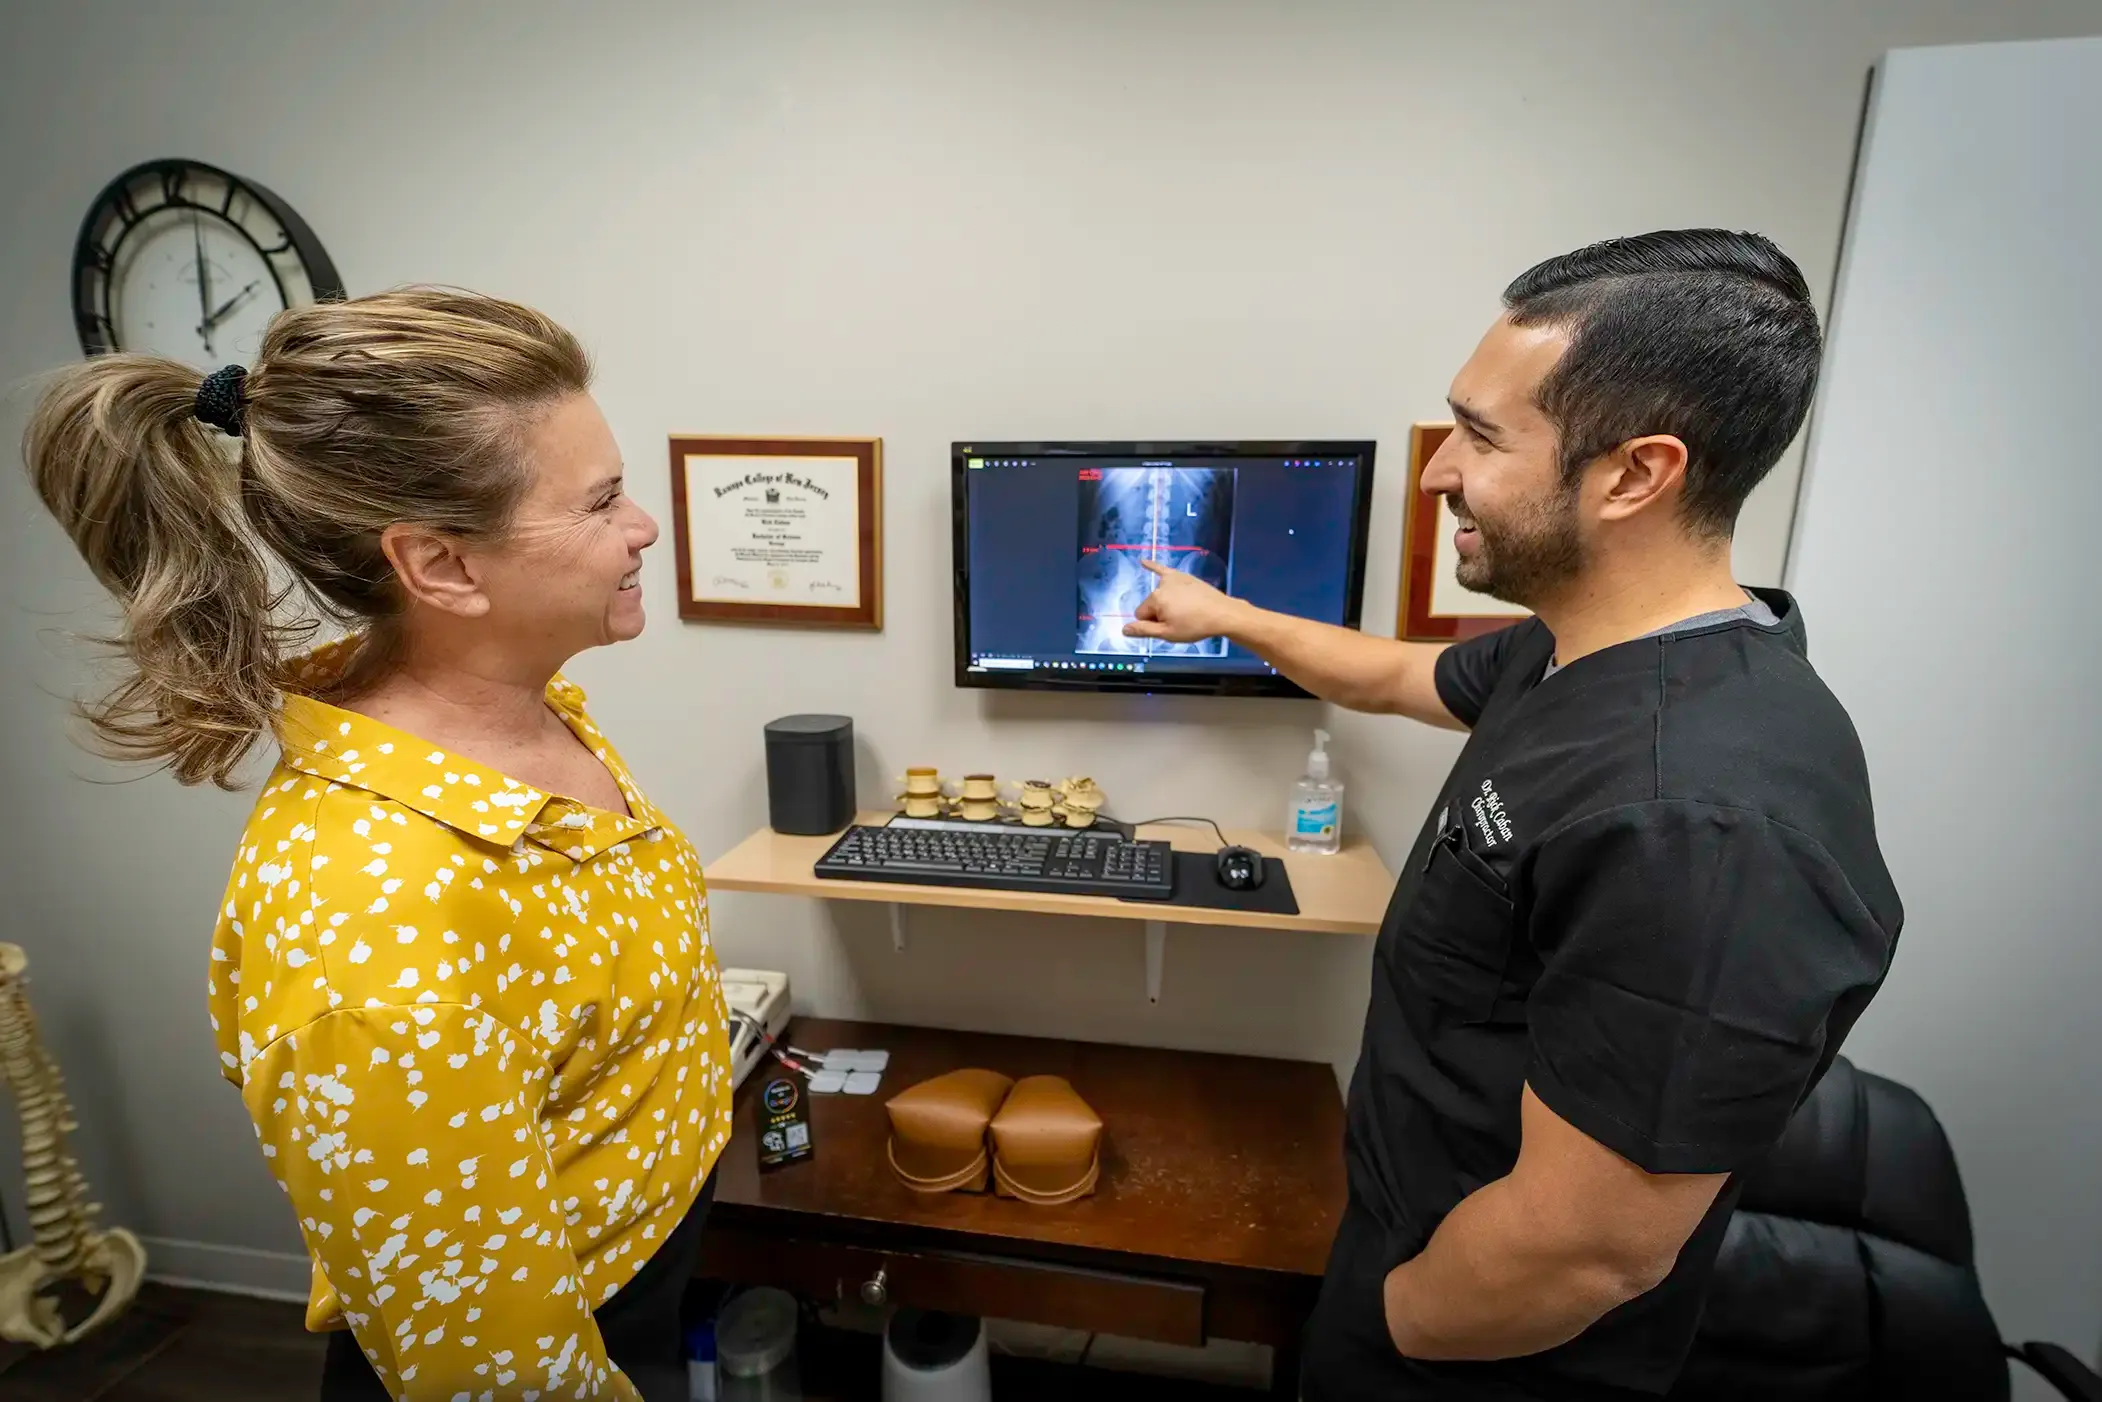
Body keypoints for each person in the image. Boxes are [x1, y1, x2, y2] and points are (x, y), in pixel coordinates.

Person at [1125, 230, 1901, 1400]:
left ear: (1633, 474)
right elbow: (1392, 676)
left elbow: (1587, 1247)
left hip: (1472, 1352)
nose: (1436, 472)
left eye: (1480, 437)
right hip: (1408, 1257)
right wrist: (1222, 611)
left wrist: (1395, 1319)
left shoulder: (1702, 821)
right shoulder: (1582, 657)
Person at [22, 289, 732, 1401]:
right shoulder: (372, 924)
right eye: (600, 504)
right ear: (443, 567)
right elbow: (488, 1370)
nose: (642, 526)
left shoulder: (525, 717)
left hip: (642, 1269)